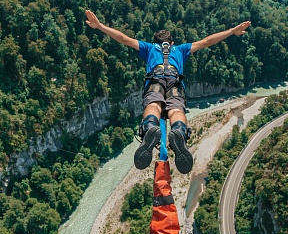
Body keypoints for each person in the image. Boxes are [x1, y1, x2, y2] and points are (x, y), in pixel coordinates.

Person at [85, 9, 251, 174]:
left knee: (154, 105)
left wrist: (99, 26)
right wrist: (232, 31)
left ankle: (150, 126)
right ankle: (178, 129)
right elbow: (207, 41)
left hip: (155, 79)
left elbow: (124, 39)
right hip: (174, 81)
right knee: (175, 110)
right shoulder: (180, 49)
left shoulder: (148, 48)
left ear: (155, 42)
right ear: (171, 43)